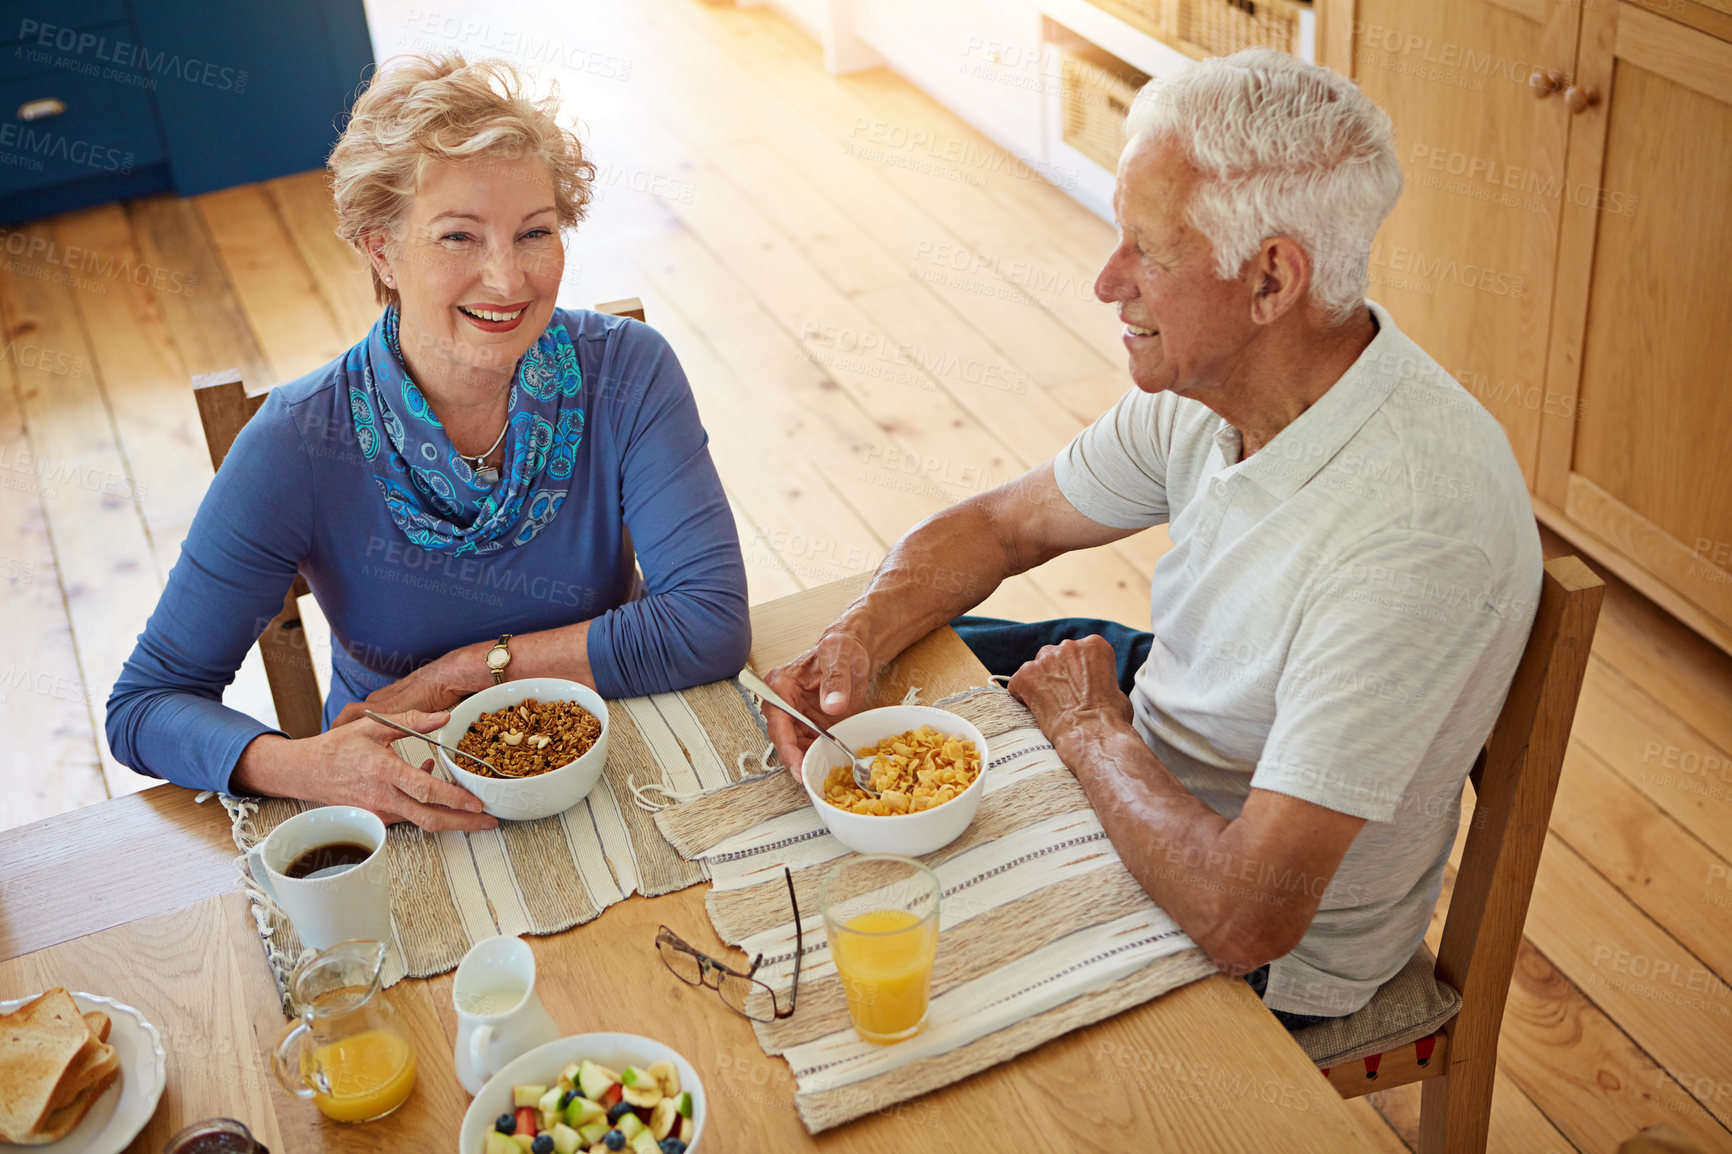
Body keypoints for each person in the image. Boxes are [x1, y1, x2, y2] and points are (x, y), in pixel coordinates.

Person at [764, 50, 1541, 1027]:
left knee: (905, 971)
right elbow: (1003, 524)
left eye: (1146, 253)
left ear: (1270, 279)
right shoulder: (1225, 380)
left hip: (1271, 944)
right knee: (854, 679)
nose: (1104, 281)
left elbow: (1244, 916)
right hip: (1171, 715)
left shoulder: (1413, 533)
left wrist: (1090, 731)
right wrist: (860, 635)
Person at [108, 55, 750, 832]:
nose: (507, 279)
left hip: (614, 758)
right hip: (400, 795)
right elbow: (146, 706)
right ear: (381, 250)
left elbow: (708, 624)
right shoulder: (297, 440)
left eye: (534, 232)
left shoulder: (628, 370)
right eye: (458, 237)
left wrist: (467, 670)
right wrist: (306, 763)